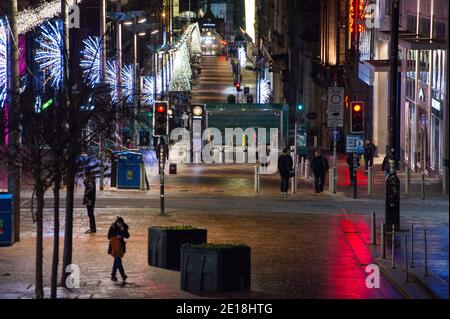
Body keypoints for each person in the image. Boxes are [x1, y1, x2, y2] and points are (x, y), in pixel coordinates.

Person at [108, 217, 130, 282]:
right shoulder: (113, 227)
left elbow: (127, 236)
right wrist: (116, 236)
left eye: (121, 223)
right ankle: (123, 275)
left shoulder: (124, 227)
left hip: (120, 247)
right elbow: (108, 236)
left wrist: (123, 231)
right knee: (118, 261)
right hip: (114, 246)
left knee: (116, 261)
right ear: (116, 222)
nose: (120, 225)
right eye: (118, 223)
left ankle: (113, 275)